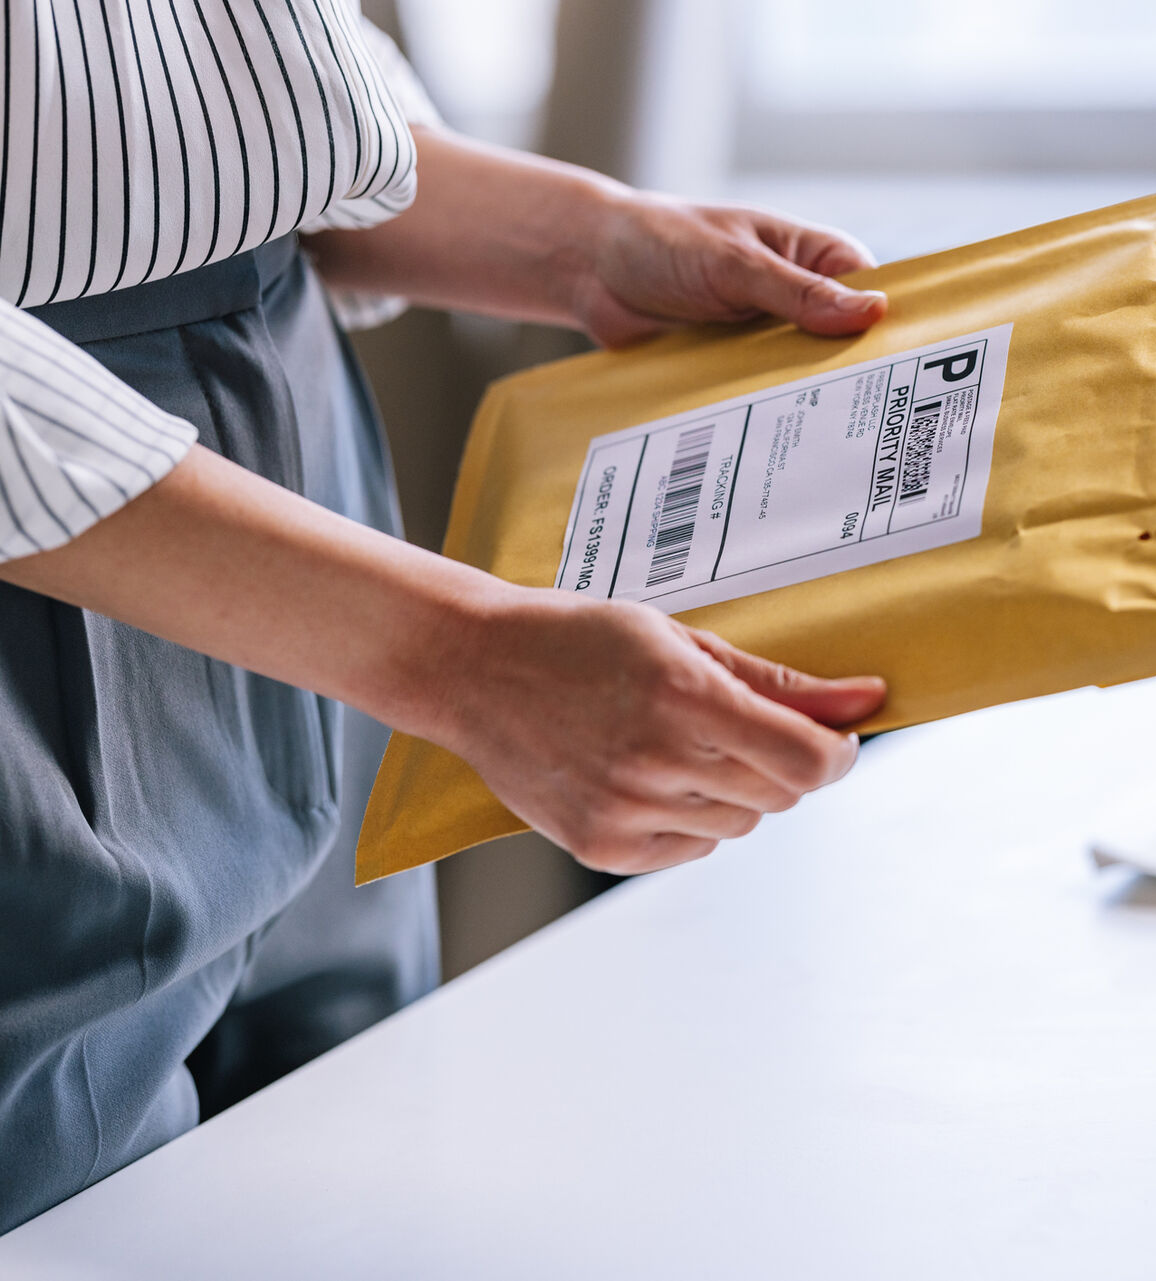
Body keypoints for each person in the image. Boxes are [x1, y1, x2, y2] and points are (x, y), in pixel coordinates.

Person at [0, 2, 889, 1231]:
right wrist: (447, 652)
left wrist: (579, 241)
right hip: (61, 530)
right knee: (67, 1215)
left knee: (339, 1171)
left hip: (291, 463)